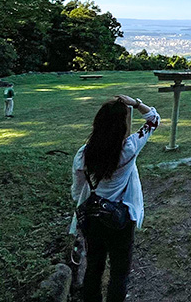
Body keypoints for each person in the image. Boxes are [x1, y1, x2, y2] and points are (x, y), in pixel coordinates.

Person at [70, 95, 160, 302]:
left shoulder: (83, 155)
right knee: (119, 273)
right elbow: (153, 119)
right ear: (122, 127)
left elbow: (77, 190)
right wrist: (137, 103)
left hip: (92, 218)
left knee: (94, 267)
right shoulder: (129, 149)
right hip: (120, 218)